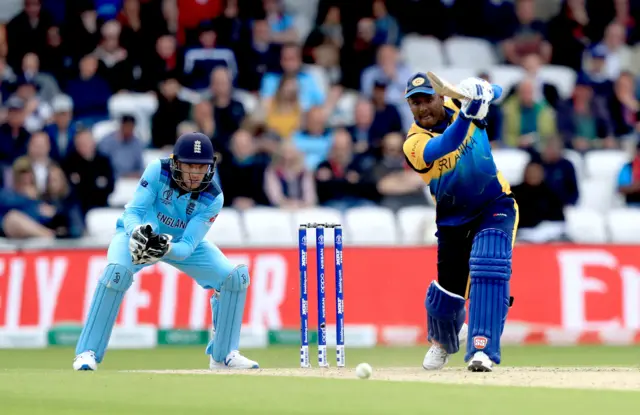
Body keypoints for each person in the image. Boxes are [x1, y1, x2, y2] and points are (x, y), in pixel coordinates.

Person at [73, 132, 259, 371]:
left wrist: (163, 246)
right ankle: (87, 353)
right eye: (189, 165)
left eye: (201, 168)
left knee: (235, 277)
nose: (195, 174)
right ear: (175, 163)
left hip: (178, 243)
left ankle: (223, 356)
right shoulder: (157, 171)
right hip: (138, 235)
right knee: (116, 273)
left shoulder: (213, 197)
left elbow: (186, 247)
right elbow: (132, 212)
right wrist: (138, 233)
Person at [402, 73, 518, 372]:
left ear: (440, 97)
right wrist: (468, 115)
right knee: (448, 294)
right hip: (453, 220)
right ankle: (443, 341)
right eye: (415, 103)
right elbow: (445, 145)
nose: (422, 107)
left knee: (488, 263)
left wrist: (483, 91)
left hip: (494, 204)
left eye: (427, 99)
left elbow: (498, 89)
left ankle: (483, 349)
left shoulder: (459, 102)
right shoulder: (413, 143)